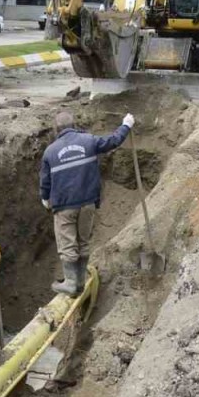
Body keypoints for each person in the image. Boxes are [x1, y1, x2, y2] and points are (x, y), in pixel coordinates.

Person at [40, 111, 134, 295]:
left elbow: (45, 182)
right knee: (83, 241)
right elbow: (113, 141)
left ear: (56, 129)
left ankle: (70, 283)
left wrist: (45, 198)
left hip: (64, 206)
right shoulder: (89, 140)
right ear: (74, 125)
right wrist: (126, 125)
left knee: (67, 243)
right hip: (87, 204)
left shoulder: (50, 152)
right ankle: (80, 281)